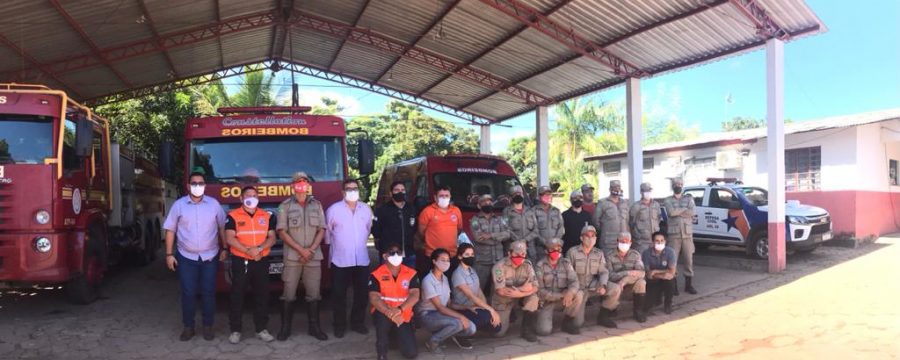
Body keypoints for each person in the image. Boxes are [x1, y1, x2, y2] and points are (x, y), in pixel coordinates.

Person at [163, 171, 226, 341]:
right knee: (188, 293)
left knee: (208, 293)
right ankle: (188, 327)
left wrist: (225, 248)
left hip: (210, 257)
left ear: (205, 186)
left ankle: (208, 326)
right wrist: (169, 254)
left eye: (201, 183)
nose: (198, 186)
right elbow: (170, 230)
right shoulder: (179, 205)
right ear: (188, 186)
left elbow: (222, 228)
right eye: (194, 183)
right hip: (186, 258)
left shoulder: (214, 205)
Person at [276, 172, 328, 341]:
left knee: (314, 294)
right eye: (298, 182)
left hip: (313, 256)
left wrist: (310, 250)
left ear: (308, 185)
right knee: (288, 294)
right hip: (292, 257)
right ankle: (285, 329)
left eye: (304, 181)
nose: (301, 184)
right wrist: (301, 250)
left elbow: (322, 229)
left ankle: (315, 328)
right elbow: (282, 232)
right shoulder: (285, 206)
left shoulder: (317, 205)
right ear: (293, 186)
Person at [225, 186, 276, 344]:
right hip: (241, 261)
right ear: (241, 198)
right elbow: (230, 238)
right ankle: (235, 330)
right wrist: (249, 251)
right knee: (237, 295)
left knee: (262, 295)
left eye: (254, 195)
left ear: (258, 198)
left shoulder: (267, 216)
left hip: (261, 260)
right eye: (248, 195)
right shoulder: (232, 216)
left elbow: (272, 238)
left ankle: (261, 329)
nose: (251, 198)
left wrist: (260, 249)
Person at [326, 179, 374, 338]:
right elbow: (328, 233)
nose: (352, 191)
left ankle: (357, 322)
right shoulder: (334, 210)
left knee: (361, 294)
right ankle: (339, 325)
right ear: (342, 192)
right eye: (349, 189)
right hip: (340, 259)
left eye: (355, 188)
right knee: (339, 295)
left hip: (361, 259)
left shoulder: (366, 209)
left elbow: (368, 230)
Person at [418, 248, 477, 353]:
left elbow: (449, 304)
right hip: (427, 315)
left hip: (442, 313)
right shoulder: (428, 280)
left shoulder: (444, 278)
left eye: (448, 260)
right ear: (434, 261)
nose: (446, 263)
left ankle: (443, 336)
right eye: (443, 260)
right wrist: (461, 317)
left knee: (471, 328)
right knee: (458, 323)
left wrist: (467, 307)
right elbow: (440, 308)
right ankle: (433, 341)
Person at [369, 243, 420, 360]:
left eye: (399, 252)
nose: (396, 255)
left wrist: (399, 310)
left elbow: (415, 295)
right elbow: (374, 298)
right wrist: (389, 312)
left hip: (402, 314)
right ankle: (381, 353)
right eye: (392, 253)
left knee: (411, 353)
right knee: (382, 320)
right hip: (384, 313)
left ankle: (394, 335)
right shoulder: (376, 274)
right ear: (385, 256)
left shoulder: (411, 273)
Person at [567, 225, 617, 329]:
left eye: (593, 236)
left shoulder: (599, 253)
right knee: (578, 323)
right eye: (587, 236)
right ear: (581, 238)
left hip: (592, 285)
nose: (590, 239)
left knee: (615, 288)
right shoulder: (572, 252)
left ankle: (603, 316)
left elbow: (603, 272)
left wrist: (602, 285)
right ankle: (568, 318)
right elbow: (568, 274)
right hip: (578, 288)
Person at [449, 244, 502, 337]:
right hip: (462, 308)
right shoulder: (458, 274)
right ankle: (460, 332)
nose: (470, 257)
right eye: (467, 254)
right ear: (460, 256)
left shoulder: (472, 270)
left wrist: (486, 309)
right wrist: (491, 310)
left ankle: (473, 328)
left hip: (474, 307)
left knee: (497, 326)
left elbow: (479, 291)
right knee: (486, 317)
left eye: (472, 254)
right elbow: (471, 296)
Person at [491, 240, 539, 342]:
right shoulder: (499, 267)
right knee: (498, 333)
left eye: (523, 254)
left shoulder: (527, 265)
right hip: (504, 300)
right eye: (516, 254)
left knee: (533, 298)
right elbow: (500, 290)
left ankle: (526, 330)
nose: (520, 257)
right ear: (509, 253)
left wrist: (520, 293)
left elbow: (535, 287)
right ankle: (510, 314)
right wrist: (521, 290)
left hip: (520, 297)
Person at [534, 238, 583, 336]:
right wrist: (561, 295)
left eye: (558, 249)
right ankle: (537, 320)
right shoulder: (540, 266)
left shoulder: (566, 263)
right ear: (546, 251)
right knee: (544, 331)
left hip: (564, 300)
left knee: (579, 294)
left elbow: (574, 281)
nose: (556, 252)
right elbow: (540, 291)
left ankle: (567, 322)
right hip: (547, 302)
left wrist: (570, 292)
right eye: (552, 249)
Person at [417, 185, 463, 276]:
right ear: (435, 197)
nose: (444, 198)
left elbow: (459, 229)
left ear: (450, 197)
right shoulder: (427, 211)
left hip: (451, 255)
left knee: (450, 283)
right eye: (441, 196)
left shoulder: (456, 211)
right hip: (433, 256)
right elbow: (421, 232)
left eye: (447, 196)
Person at [664, 178, 698, 295]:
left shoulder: (689, 198)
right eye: (676, 184)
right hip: (674, 235)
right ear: (673, 186)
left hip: (687, 235)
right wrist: (684, 209)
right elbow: (671, 213)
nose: (678, 186)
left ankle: (688, 285)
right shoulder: (668, 200)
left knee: (689, 260)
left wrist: (678, 211)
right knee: (673, 261)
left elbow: (692, 212)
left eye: (680, 184)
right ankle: (673, 286)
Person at [372, 181, 418, 268]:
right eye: (397, 190)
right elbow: (376, 231)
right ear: (391, 193)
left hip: (409, 254)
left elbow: (414, 228)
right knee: (388, 280)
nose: (400, 192)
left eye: (402, 190)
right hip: (390, 255)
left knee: (409, 280)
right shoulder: (382, 210)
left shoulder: (411, 208)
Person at [469, 194, 509, 292]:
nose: (488, 203)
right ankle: (477, 306)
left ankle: (493, 306)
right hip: (483, 260)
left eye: (490, 201)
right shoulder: (475, 220)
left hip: (498, 259)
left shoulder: (500, 219)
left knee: (498, 287)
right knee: (478, 287)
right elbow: (478, 238)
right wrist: (498, 238)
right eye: (484, 202)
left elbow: (508, 234)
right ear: (479, 205)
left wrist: (490, 235)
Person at [605, 232, 647, 323]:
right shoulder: (609, 256)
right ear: (617, 242)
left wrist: (625, 280)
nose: (624, 244)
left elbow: (641, 273)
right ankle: (611, 309)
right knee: (614, 287)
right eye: (622, 241)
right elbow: (610, 276)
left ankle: (638, 312)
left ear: (630, 243)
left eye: (626, 241)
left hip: (629, 285)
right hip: (616, 285)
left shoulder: (635, 255)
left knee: (641, 283)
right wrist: (627, 273)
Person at [642, 232, 677, 315]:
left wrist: (656, 271)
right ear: (653, 242)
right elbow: (648, 273)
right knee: (648, 305)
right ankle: (653, 301)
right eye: (657, 241)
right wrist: (661, 275)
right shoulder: (646, 253)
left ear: (665, 242)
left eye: (662, 241)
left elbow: (672, 271)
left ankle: (668, 304)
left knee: (670, 280)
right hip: (653, 279)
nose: (659, 243)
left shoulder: (670, 252)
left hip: (665, 278)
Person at [594, 180, 631, 251]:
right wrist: (605, 231)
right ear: (610, 189)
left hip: (624, 241)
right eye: (614, 187)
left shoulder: (625, 203)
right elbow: (596, 221)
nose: (617, 189)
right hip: (608, 242)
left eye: (618, 187)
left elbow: (628, 221)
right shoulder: (602, 203)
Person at [503, 185, 539, 258]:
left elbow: (536, 230)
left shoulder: (530, 211)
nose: (518, 195)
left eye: (520, 194)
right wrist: (518, 241)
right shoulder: (506, 211)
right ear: (511, 197)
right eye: (515, 194)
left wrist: (525, 240)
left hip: (530, 251)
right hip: (514, 251)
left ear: (523, 195)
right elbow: (505, 229)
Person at [533, 185, 564, 264]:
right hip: (541, 250)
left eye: (549, 194)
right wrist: (546, 243)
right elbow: (533, 230)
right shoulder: (533, 211)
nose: (548, 197)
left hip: (555, 249)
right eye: (545, 195)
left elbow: (561, 228)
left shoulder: (556, 211)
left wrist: (554, 243)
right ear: (539, 197)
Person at [629, 182, 661, 253]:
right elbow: (631, 223)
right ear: (641, 192)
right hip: (641, 242)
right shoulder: (636, 206)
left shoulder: (656, 205)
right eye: (645, 191)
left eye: (649, 191)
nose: (647, 193)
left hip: (655, 240)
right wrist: (637, 235)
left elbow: (658, 219)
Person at [562, 190, 594, 254]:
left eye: (580, 198)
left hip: (584, 249)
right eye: (575, 198)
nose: (578, 200)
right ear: (571, 200)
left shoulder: (587, 215)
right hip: (569, 249)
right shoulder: (564, 215)